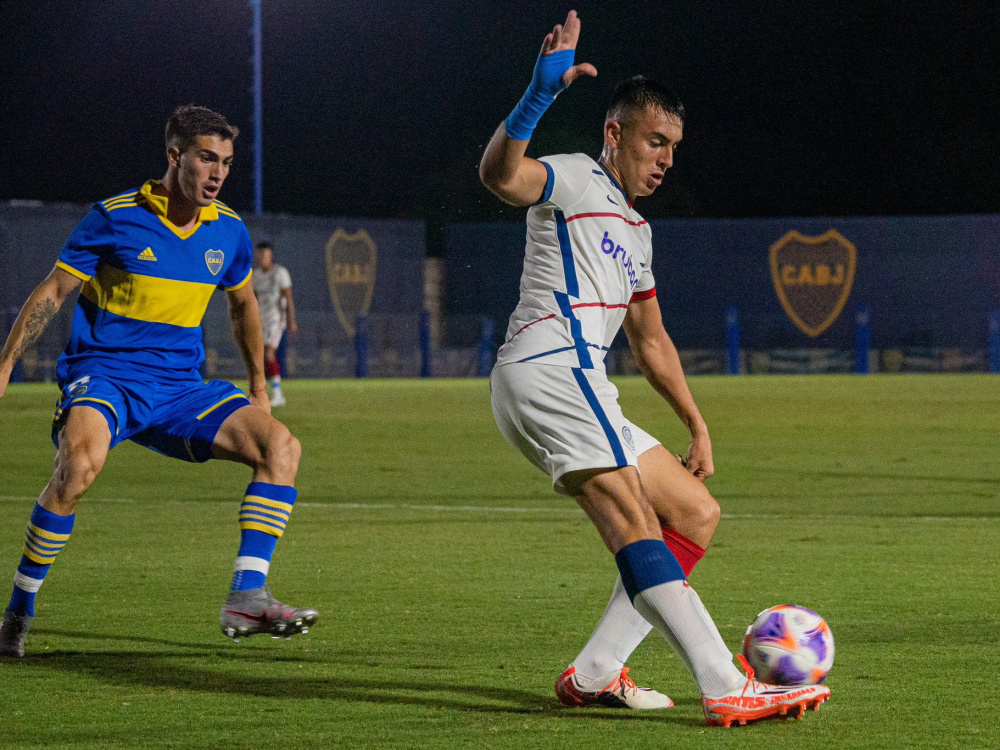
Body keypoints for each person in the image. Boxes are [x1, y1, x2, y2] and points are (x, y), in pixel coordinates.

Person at [479, 12, 829, 727]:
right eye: (654, 141)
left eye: (673, 146)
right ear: (614, 133)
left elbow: (652, 338)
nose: (666, 158)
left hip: (584, 385)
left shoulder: (637, 231)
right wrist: (538, 96)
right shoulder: (576, 178)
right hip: (549, 368)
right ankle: (725, 683)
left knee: (694, 512)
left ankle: (596, 672)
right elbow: (500, 176)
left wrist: (695, 424)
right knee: (633, 517)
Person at [0, 105, 317, 657]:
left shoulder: (229, 230)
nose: (218, 173)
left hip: (179, 388)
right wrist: (5, 364)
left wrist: (258, 388)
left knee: (281, 447)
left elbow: (243, 304)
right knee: (77, 469)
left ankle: (247, 595)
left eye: (226, 162)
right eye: (207, 159)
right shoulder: (115, 217)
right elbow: (54, 290)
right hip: (106, 376)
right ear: (175, 156)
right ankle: (18, 610)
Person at [251, 241, 298, 407]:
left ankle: (278, 394)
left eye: (263, 255)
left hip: (276, 319)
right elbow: (253, 299)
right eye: (258, 254)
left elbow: (288, 297)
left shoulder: (280, 273)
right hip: (261, 319)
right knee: (259, 356)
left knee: (269, 353)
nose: (260, 258)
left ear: (270, 255)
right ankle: (260, 392)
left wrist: (291, 320)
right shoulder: (255, 275)